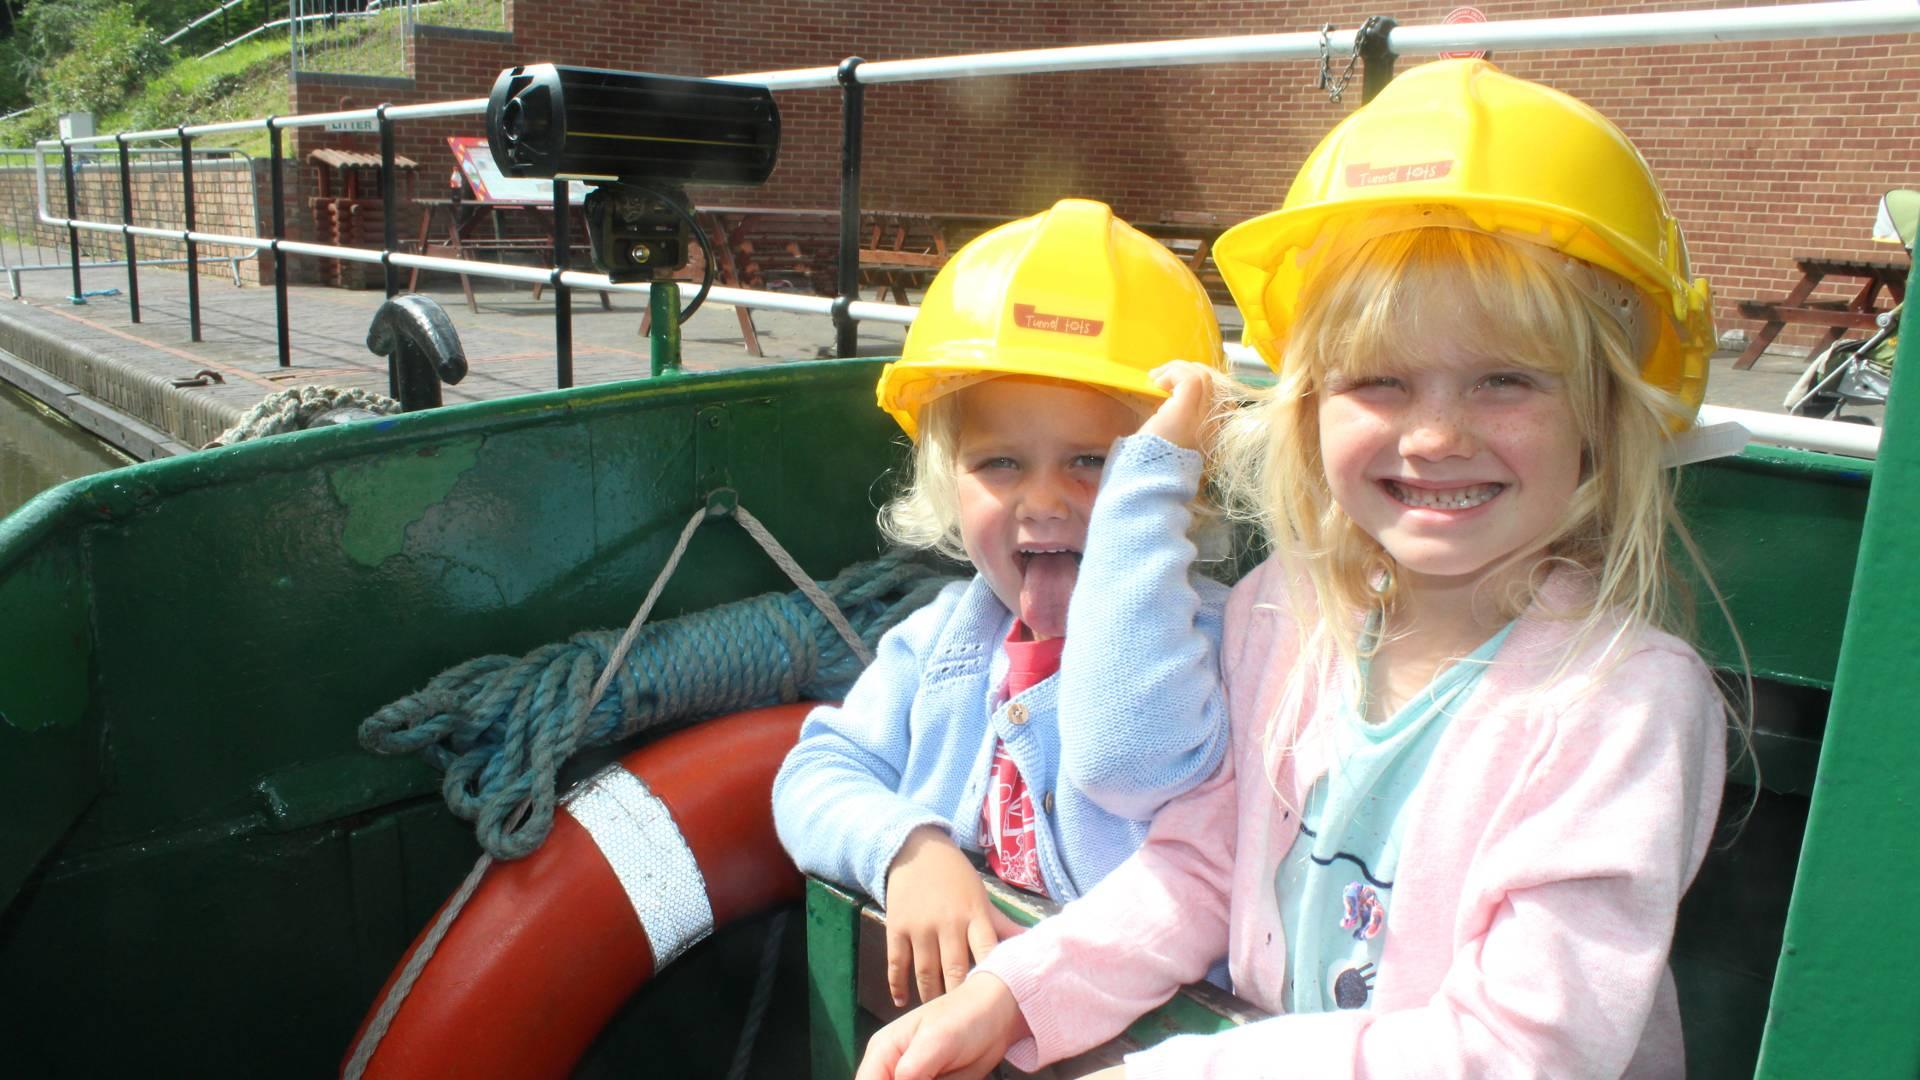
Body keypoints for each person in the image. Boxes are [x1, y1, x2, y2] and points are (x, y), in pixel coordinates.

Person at [856, 59, 1734, 1079]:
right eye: (1381, 382)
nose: (1437, 435)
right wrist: (1015, 994)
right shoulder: (1288, 615)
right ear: (1311, 410)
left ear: (1602, 413)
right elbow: (1201, 866)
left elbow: (1523, 1048)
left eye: (1504, 380)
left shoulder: (1622, 706)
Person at [773, 198, 1234, 1010]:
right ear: (949, 486)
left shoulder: (1214, 647)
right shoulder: (944, 641)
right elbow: (814, 772)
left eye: (1095, 460)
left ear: (1176, 485)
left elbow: (1136, 758)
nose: (1045, 501)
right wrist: (909, 850)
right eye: (1001, 464)